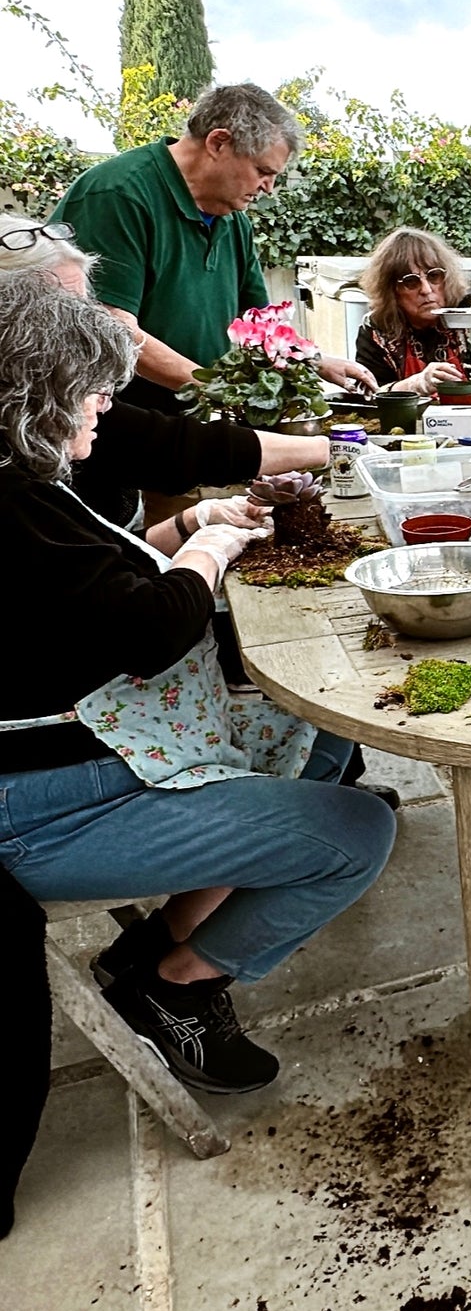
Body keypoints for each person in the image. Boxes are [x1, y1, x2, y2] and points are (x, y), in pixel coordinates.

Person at [0, 277, 396, 1143]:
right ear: (39, 391)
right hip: (46, 804)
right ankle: (178, 985)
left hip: (104, 748)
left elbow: (97, 592)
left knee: (324, 720)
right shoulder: (12, 506)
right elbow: (148, 628)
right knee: (355, 833)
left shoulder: (28, 478)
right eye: (93, 387)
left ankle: (152, 949)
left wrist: (189, 530)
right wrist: (212, 547)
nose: (109, 402)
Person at [54, 83, 374, 410]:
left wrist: (315, 361)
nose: (269, 188)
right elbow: (112, 330)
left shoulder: (232, 221)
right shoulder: (117, 195)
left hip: (196, 416)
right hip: (114, 424)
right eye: (263, 171)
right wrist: (220, 389)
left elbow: (259, 323)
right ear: (218, 142)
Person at [0, 215, 331, 525]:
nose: (85, 327)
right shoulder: (17, 465)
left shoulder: (57, 401)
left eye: (86, 307)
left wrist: (190, 525)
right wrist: (204, 551)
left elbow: (168, 443)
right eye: (64, 315)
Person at [353, 227, 471, 395]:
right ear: (391, 290)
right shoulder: (377, 330)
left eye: (434, 276)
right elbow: (368, 394)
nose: (426, 289)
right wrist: (416, 385)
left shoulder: (469, 309)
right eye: (411, 282)